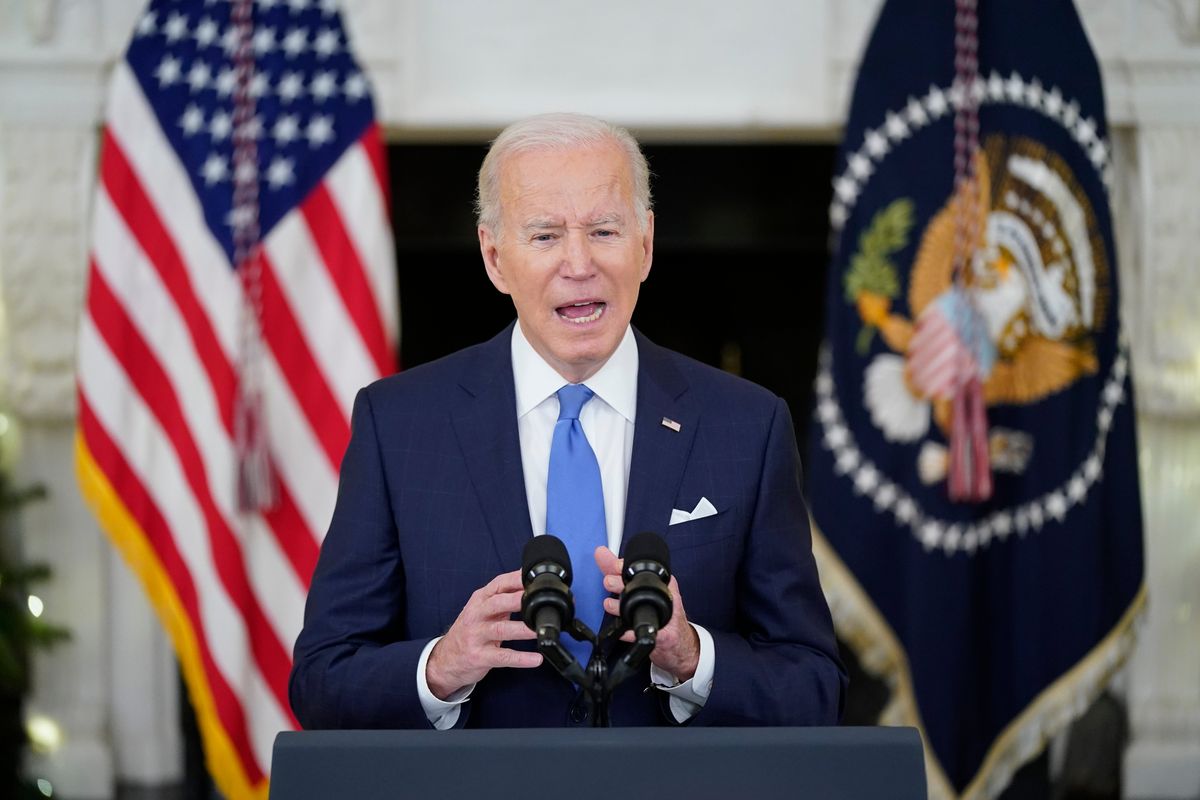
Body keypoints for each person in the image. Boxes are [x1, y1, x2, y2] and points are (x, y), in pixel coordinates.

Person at [289, 113, 846, 729]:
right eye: (545, 236)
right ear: (495, 258)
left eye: (605, 230)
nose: (578, 264)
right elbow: (322, 680)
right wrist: (439, 668)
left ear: (646, 244)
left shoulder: (748, 425)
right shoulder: (399, 425)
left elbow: (815, 685)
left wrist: (693, 658)